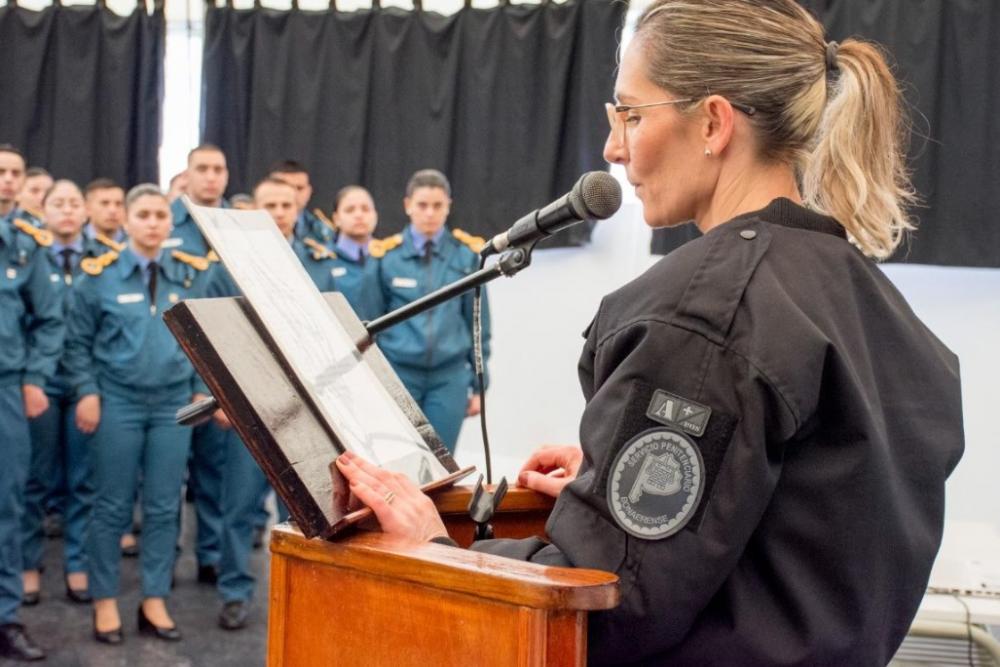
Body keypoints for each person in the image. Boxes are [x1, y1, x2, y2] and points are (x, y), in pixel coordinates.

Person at [336, 2, 966, 665]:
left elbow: (608, 606)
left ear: (714, 123)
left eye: (631, 115)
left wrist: (429, 546)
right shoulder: (863, 296)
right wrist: (616, 489)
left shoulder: (710, 312)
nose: (613, 148)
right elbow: (805, 521)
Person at [65, 183, 212, 644]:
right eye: (143, 215)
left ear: (170, 223)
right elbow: (76, 343)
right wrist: (86, 391)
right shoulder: (100, 275)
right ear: (127, 221)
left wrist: (196, 390)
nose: (152, 223)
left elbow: (202, 343)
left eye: (160, 215)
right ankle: (104, 601)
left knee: (166, 506)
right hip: (118, 402)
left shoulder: (188, 276)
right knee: (110, 506)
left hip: (172, 406)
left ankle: (154, 599)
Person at [209, 178, 332, 631]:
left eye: (285, 204)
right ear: (253, 210)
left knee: (301, 509)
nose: (279, 211)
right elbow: (208, 330)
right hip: (247, 399)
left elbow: (335, 331)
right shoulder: (225, 264)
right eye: (269, 205)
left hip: (304, 405)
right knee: (239, 506)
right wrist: (220, 395)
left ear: (298, 207)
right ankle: (235, 592)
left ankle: (299, 590)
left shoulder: (320, 263)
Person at [20, 180, 104, 611]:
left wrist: (90, 387)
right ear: (43, 210)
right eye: (59, 203)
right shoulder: (29, 256)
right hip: (43, 384)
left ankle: (77, 563)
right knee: (35, 480)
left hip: (87, 387)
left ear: (85, 211)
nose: (68, 210)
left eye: (75, 202)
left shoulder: (104, 260)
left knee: (83, 481)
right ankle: (29, 564)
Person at [373, 169, 490, 453]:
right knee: (397, 458)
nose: (429, 213)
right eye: (422, 205)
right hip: (399, 374)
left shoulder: (465, 256)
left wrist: (479, 385)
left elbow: (478, 325)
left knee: (441, 460)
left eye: (438, 206)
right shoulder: (387, 257)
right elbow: (371, 325)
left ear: (448, 206)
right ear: (408, 205)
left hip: (448, 378)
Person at [0, 149, 64, 662]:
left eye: (15, 173)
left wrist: (33, 377)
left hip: (5, 390)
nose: (6, 181)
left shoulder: (26, 246)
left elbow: (49, 319)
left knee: (7, 506)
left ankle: (5, 618)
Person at [167, 144, 229, 583]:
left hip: (223, 371)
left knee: (214, 473)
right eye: (201, 169)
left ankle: (210, 555)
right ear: (186, 175)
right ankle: (164, 558)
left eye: (218, 169)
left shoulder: (240, 225)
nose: (211, 177)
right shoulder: (166, 222)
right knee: (166, 478)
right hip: (172, 369)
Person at [329, 185, 382, 320]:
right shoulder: (323, 260)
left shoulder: (389, 257)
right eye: (349, 210)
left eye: (365, 209)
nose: (359, 215)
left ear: (375, 215)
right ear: (336, 218)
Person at [269, 159, 335, 248]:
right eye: (287, 187)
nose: (294, 194)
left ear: (309, 191)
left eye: (300, 188)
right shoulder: (252, 226)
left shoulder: (323, 231)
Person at [83, 178, 127, 248]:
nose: (113, 210)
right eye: (104, 203)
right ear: (87, 209)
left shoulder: (135, 245)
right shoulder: (75, 243)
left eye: (118, 204)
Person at [0, 145, 34, 228]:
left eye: (16, 173)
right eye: (1, 172)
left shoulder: (35, 227)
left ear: (24, 179)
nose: (8, 179)